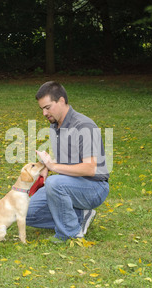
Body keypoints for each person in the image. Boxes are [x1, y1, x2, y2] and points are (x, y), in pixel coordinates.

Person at [26, 81, 110, 242]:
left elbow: (90, 169)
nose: (44, 113)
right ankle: (79, 216)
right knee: (26, 214)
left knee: (54, 183)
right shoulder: (55, 126)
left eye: (47, 107)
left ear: (62, 101)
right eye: (42, 109)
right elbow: (68, 160)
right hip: (68, 183)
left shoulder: (84, 126)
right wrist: (46, 166)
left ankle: (70, 233)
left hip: (93, 187)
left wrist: (53, 166)